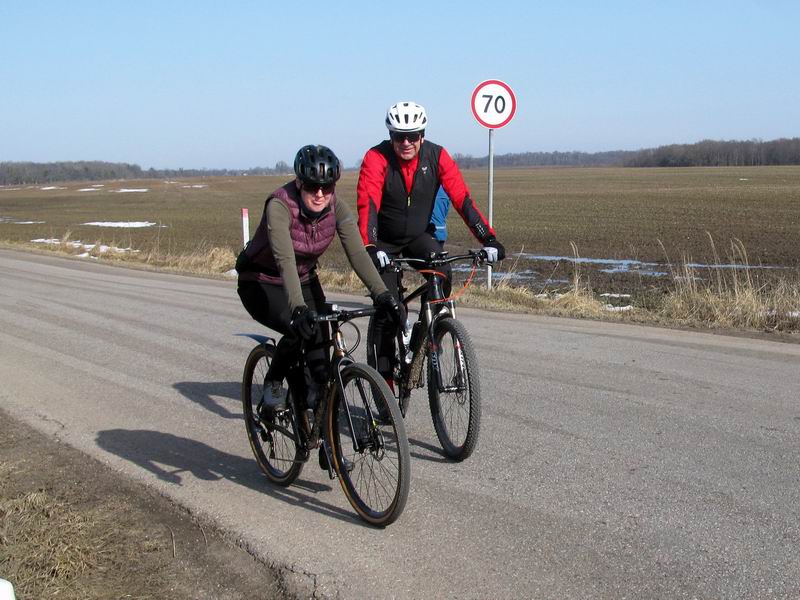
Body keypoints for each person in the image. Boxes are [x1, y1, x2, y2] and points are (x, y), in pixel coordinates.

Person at [237, 144, 400, 415]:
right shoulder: (279, 206)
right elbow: (285, 260)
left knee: (322, 367)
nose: (320, 194)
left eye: (327, 187)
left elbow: (357, 253)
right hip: (261, 281)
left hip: (304, 279)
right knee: (297, 329)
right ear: (299, 182)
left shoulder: (337, 207)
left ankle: (323, 432)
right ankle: (274, 381)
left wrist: (382, 295)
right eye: (313, 187)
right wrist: (299, 309)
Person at [356, 101, 506, 385]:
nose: (406, 142)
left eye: (413, 135)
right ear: (390, 136)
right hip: (384, 242)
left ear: (422, 135)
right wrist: (371, 246)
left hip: (417, 236)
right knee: (388, 307)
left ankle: (424, 335)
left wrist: (489, 239)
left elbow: (462, 199)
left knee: (443, 273)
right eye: (399, 136)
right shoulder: (377, 158)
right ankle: (385, 384)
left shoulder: (437, 156)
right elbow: (369, 203)